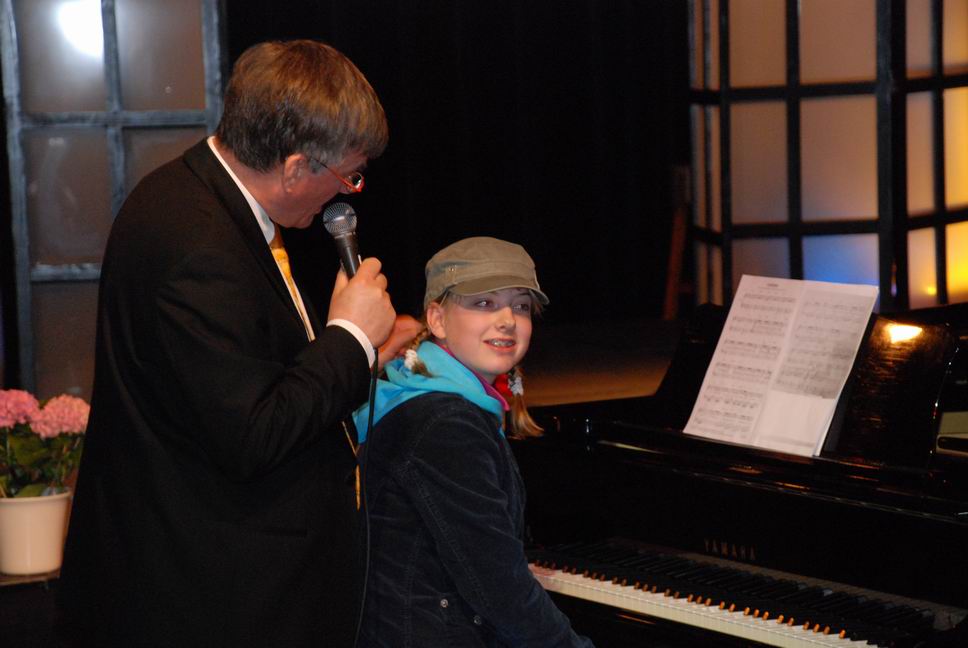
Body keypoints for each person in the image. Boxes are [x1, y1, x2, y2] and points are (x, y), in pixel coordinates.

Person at [57, 40, 409, 647]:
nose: (350, 193)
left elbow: (244, 372)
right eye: (347, 175)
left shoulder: (196, 194)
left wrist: (346, 342)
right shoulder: (198, 248)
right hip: (206, 598)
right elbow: (253, 433)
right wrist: (350, 339)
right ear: (295, 168)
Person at [352, 237, 595, 647]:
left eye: (521, 306)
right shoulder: (445, 424)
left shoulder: (422, 395)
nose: (507, 320)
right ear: (438, 319)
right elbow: (498, 588)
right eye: (484, 303)